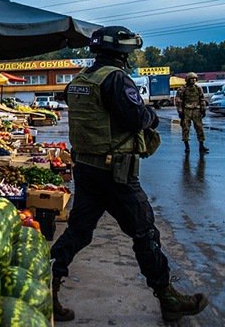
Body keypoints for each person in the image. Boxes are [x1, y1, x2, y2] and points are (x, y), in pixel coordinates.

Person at [50, 26, 208, 323]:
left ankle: (48, 284)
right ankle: (168, 298)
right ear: (121, 52)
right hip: (115, 173)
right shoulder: (115, 79)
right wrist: (150, 115)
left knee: (79, 231)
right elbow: (136, 118)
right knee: (144, 232)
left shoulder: (80, 81)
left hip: (86, 169)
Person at [175, 72, 208, 154]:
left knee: (199, 128)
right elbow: (178, 101)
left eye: (194, 79)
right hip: (187, 110)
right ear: (187, 80)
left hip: (196, 110)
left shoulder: (198, 88)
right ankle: (187, 146)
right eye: (191, 79)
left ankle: (201, 146)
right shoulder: (182, 89)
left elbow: (202, 99)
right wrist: (180, 111)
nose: (193, 80)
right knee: (186, 128)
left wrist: (203, 109)